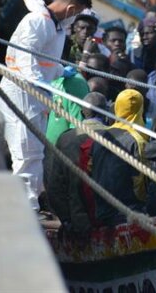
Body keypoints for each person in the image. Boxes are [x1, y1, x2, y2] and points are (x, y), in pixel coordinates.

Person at [0, 0, 92, 212]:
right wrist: (44, 90)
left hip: (36, 96)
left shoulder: (55, 27)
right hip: (21, 92)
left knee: (36, 153)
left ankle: (32, 203)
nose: (76, 19)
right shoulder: (37, 22)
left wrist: (60, 71)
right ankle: (24, 210)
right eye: (78, 13)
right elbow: (26, 62)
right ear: (71, 9)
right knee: (26, 152)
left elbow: (45, 62)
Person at [43, 92, 107, 235]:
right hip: (110, 221)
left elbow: (54, 187)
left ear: (81, 113)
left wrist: (67, 220)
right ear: (107, 113)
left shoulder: (66, 139)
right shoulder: (115, 136)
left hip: (78, 222)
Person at [91, 89, 149, 225]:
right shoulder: (137, 140)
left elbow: (91, 167)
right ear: (140, 109)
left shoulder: (101, 135)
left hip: (101, 207)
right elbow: (139, 181)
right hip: (127, 210)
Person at [45, 69, 90, 145]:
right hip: (44, 145)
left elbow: (76, 128)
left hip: (62, 150)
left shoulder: (76, 82)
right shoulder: (49, 75)